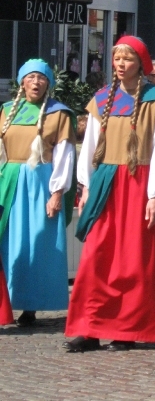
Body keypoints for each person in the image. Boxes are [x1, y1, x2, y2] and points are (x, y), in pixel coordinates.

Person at [64, 36, 155, 352]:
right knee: (97, 257)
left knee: (133, 260)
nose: (121, 64)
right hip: (107, 183)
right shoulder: (103, 99)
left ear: (140, 63)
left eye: (128, 59)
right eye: (117, 59)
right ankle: (90, 327)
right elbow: (89, 148)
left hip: (139, 184)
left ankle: (127, 328)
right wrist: (85, 186)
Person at [0, 59, 76, 326]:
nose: (36, 82)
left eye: (41, 78)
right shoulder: (8, 110)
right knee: (9, 243)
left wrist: (57, 192)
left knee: (36, 244)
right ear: (22, 81)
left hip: (40, 183)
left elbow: (65, 155)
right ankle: (6, 301)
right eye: (31, 77)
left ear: (49, 83)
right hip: (8, 183)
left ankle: (30, 303)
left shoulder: (59, 114)